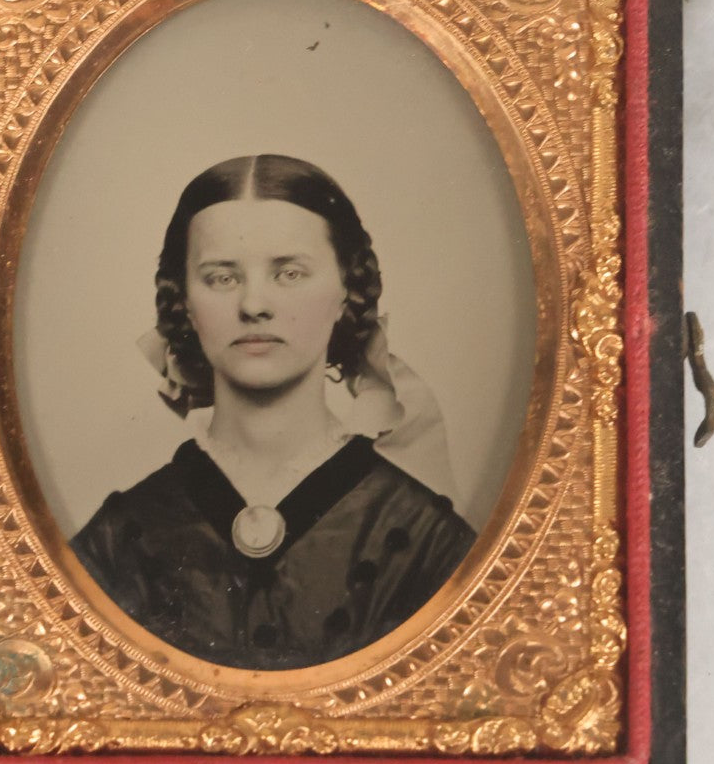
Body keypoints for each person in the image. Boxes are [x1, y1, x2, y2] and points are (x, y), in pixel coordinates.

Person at [71, 154, 476, 670]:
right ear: (185, 304)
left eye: (289, 273)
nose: (254, 304)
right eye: (221, 278)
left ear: (344, 293)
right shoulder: (117, 540)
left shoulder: (426, 540)